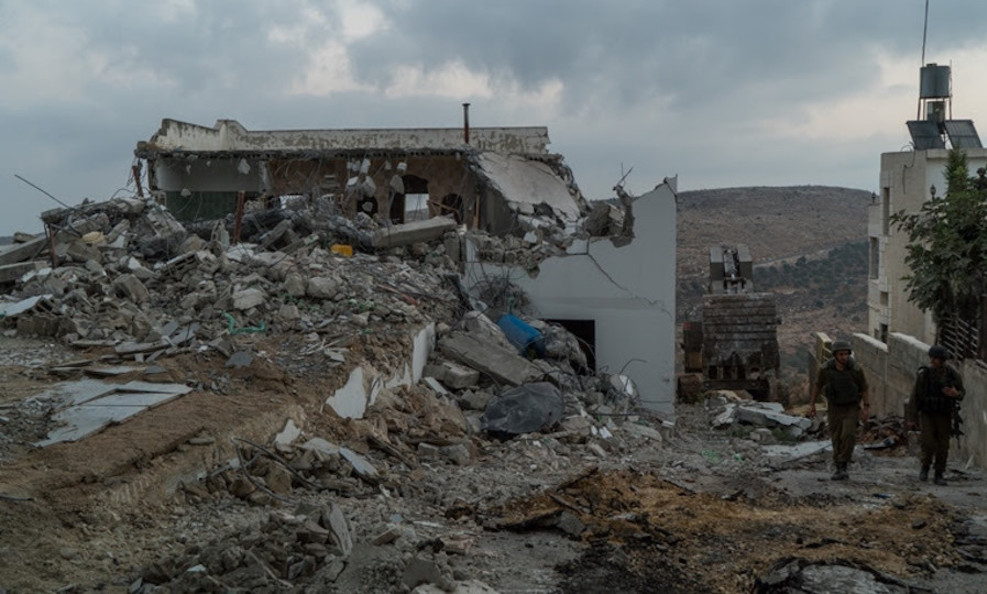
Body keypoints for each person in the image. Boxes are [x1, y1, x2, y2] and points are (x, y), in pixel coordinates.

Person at [808, 340, 870, 480]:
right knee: (836, 436)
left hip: (851, 406)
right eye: (841, 354)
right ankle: (838, 466)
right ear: (835, 355)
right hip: (834, 406)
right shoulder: (826, 369)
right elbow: (818, 385)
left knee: (848, 435)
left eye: (846, 354)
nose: (844, 357)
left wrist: (866, 407)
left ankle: (843, 464)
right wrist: (812, 404)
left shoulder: (855, 369)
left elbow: (864, 387)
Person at [907, 345, 965, 485]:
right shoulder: (924, 374)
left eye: (936, 359)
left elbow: (962, 392)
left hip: (944, 414)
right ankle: (925, 467)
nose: (932, 361)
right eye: (932, 358)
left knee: (943, 445)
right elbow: (915, 397)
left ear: (942, 360)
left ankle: (939, 472)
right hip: (928, 414)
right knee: (928, 443)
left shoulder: (952, 374)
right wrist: (912, 417)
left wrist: (955, 394)